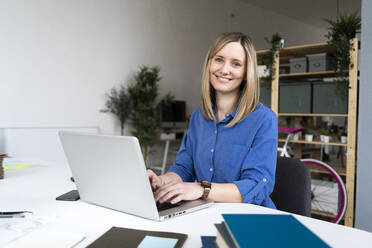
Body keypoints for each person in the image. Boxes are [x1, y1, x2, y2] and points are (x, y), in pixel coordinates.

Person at [147, 32, 278, 208]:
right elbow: (185, 168)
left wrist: (202, 189)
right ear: (209, 64)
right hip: (205, 212)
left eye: (236, 64)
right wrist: (160, 181)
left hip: (250, 218)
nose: (224, 70)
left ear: (247, 73)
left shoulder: (263, 119)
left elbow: (257, 185)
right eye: (219, 60)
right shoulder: (197, 118)